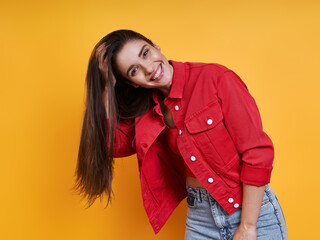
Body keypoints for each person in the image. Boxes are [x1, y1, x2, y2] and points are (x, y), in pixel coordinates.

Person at [75, 29, 288, 240]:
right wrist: (104, 88)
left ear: (156, 46)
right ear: (131, 83)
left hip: (252, 213)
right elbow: (110, 145)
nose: (148, 68)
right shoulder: (145, 110)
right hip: (200, 218)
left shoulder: (215, 78)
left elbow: (257, 153)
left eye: (145, 53)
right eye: (134, 71)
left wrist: (248, 226)